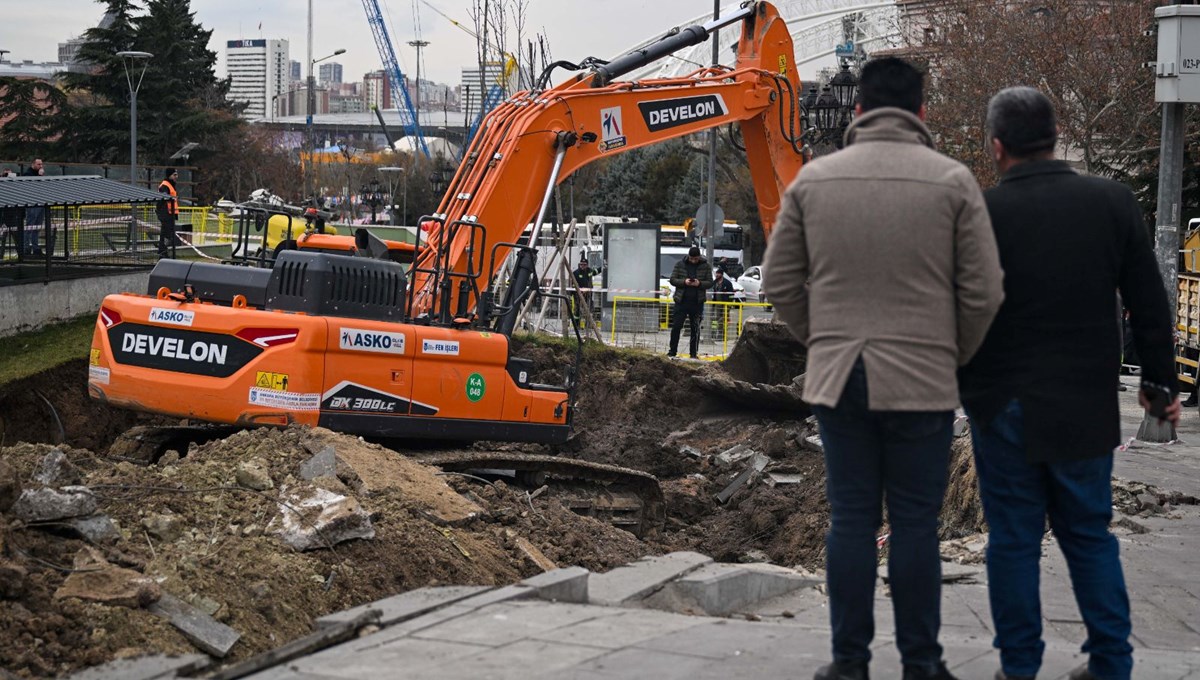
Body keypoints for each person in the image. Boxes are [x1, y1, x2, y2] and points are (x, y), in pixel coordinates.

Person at [763, 56, 1005, 680]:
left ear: (860, 110)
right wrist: (951, 352)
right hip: (922, 377)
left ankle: (849, 664)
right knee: (916, 524)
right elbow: (984, 292)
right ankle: (923, 664)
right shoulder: (953, 183)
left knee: (850, 518)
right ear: (921, 113)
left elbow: (779, 280)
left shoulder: (815, 183)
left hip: (840, 375)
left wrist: (824, 338)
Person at [958, 87, 1178, 680]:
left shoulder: (981, 212)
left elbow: (956, 309)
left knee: (1012, 540)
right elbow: (1149, 303)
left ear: (997, 145)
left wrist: (966, 387)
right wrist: (1161, 386)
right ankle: (1111, 663)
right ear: (1054, 137)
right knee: (1088, 535)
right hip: (1084, 404)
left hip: (1001, 402)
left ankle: (1019, 666)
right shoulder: (1110, 202)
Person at [667, 245, 713, 359]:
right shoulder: (680, 264)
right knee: (676, 327)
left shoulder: (706, 266)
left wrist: (700, 284)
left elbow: (710, 282)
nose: (693, 261)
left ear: (699, 257)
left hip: (697, 302)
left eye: (696, 259)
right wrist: (684, 282)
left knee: (695, 329)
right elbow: (672, 279)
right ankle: (672, 351)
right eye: (692, 259)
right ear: (688, 256)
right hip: (681, 301)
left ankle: (693, 353)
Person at [21, 159, 45, 257]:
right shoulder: (28, 174)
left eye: (41, 164)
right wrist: (39, 176)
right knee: (30, 226)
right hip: (32, 204)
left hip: (40, 203)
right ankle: (26, 248)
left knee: (37, 227)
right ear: (33, 164)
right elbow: (31, 186)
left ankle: (36, 248)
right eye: (39, 164)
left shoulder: (40, 174)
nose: (41, 166)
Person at [156, 168, 180, 258]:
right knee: (165, 235)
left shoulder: (170, 185)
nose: (176, 177)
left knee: (167, 235)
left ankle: (163, 252)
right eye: (174, 175)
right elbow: (163, 200)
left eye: (176, 175)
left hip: (170, 214)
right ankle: (163, 253)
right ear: (169, 175)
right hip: (167, 214)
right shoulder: (165, 185)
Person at [572, 254, 601, 326]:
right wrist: (580, 292)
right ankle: (576, 325)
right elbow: (573, 284)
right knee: (577, 309)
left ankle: (588, 325)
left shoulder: (589, 271)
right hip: (578, 294)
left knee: (589, 309)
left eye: (584, 265)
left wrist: (603, 267)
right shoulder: (576, 273)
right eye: (581, 264)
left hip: (588, 294)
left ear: (587, 265)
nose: (582, 266)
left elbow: (596, 272)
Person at [709, 267, 736, 339]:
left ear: (721, 274)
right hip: (716, 304)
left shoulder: (727, 283)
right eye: (716, 274)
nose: (716, 275)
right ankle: (714, 332)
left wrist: (729, 304)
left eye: (718, 274)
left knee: (723, 319)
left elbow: (731, 294)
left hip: (725, 304)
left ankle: (722, 334)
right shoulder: (715, 282)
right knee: (715, 318)